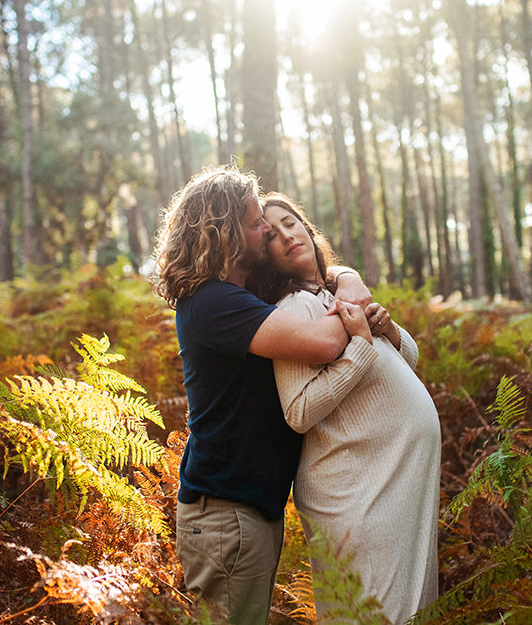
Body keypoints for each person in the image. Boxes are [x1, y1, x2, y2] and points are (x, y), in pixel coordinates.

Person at [151, 166, 373, 624]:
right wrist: (352, 298)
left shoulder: (238, 295)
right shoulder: (212, 302)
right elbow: (326, 342)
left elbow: (313, 271)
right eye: (256, 223)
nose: (268, 229)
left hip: (244, 510)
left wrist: (344, 275)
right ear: (225, 233)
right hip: (227, 515)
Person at [249, 192, 441, 623]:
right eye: (271, 234)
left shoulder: (334, 290)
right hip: (359, 491)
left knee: (409, 609)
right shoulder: (294, 308)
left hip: (395, 482)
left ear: (307, 227)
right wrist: (360, 346)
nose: (285, 235)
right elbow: (298, 410)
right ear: (266, 259)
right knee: (380, 612)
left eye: (290, 222)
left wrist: (386, 327)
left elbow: (404, 363)